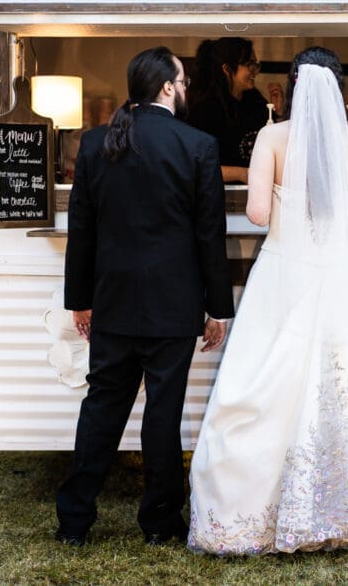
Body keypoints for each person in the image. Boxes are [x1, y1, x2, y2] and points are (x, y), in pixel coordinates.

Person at [187, 47, 348, 555]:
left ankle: (257, 516)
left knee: (269, 386)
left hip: (284, 277)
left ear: (295, 85)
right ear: (337, 88)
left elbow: (255, 214)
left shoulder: (273, 137)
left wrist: (281, 197)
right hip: (340, 279)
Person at [55, 46, 234, 547]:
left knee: (101, 409)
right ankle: (159, 522)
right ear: (166, 88)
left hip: (111, 302)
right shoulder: (197, 146)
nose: (186, 88)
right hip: (173, 309)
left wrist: (80, 300)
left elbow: (81, 231)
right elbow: (208, 238)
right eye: (182, 80)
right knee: (162, 414)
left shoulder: (94, 145)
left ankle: (74, 519)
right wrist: (218, 308)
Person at [186, 37, 282, 184]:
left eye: (256, 65)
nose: (254, 71)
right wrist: (242, 174)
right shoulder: (205, 111)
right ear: (226, 69)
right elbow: (195, 167)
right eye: (249, 64)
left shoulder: (255, 102)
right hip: (220, 197)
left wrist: (278, 113)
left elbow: (275, 146)